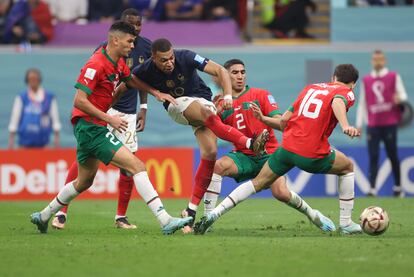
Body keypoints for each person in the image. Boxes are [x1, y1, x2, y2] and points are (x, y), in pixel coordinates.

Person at [30, 21, 192, 235]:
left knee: (84, 181)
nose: (133, 46)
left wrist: (155, 93)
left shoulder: (118, 63)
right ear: (115, 40)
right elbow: (79, 101)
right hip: (91, 127)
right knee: (137, 166)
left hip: (91, 127)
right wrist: (109, 118)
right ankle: (165, 220)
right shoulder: (96, 63)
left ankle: (42, 216)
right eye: (130, 41)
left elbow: (132, 80)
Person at [115, 38, 269, 229]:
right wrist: (153, 93)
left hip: (203, 100)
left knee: (211, 152)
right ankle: (249, 143)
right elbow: (127, 82)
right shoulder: (145, 69)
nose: (169, 62)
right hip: (177, 104)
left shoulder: (186, 56)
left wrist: (228, 95)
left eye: (171, 58)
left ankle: (190, 211)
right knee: (206, 115)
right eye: (163, 60)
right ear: (153, 58)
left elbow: (220, 70)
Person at [195, 64, 363, 235]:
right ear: (353, 84)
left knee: (274, 190)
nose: (239, 76)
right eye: (235, 73)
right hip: (282, 152)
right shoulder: (345, 92)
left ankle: (313, 215)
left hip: (279, 149)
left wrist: (263, 119)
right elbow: (337, 102)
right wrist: (345, 125)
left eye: (243, 72)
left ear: (333, 78)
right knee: (347, 166)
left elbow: (283, 122)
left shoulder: (305, 89)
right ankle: (346, 223)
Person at [51, 8, 152, 230]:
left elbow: (139, 80)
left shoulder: (145, 47)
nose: (135, 28)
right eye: (131, 24)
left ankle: (120, 217)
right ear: (120, 26)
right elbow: (86, 88)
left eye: (139, 24)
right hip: (102, 111)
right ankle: (61, 212)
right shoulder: (103, 51)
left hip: (127, 113)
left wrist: (143, 107)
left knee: (129, 166)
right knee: (83, 161)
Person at [356, 50, 408, 197]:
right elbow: (362, 103)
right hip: (373, 124)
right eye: (375, 59)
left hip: (389, 122)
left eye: (380, 59)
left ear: (384, 61)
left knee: (392, 154)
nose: (377, 62)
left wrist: (400, 99)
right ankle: (372, 187)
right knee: (373, 156)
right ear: (372, 62)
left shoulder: (393, 76)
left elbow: (403, 94)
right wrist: (360, 124)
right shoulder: (366, 80)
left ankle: (398, 186)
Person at [8, 68, 61, 148]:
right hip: (24, 144)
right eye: (30, 79)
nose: (33, 81)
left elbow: (55, 121)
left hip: (44, 144)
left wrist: (56, 142)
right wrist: (11, 143)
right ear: (27, 80)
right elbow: (14, 120)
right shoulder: (21, 97)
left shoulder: (49, 97)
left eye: (35, 79)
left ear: (39, 80)